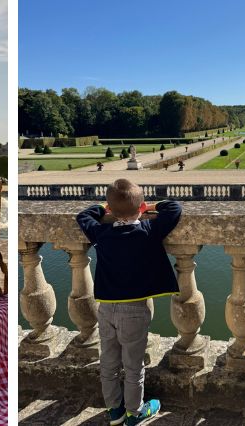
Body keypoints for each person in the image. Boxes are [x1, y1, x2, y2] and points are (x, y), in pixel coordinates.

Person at [76, 179, 182, 426]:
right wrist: (150, 206)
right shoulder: (148, 231)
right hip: (135, 310)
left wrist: (104, 208)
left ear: (111, 210)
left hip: (106, 309)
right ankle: (135, 412)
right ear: (141, 207)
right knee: (133, 366)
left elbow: (84, 216)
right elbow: (174, 209)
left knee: (109, 363)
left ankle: (115, 411)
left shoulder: (102, 233)